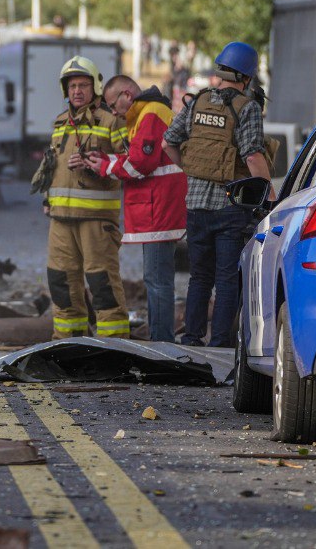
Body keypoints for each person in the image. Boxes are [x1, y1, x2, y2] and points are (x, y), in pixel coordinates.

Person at [162, 41, 274, 348]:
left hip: (196, 207)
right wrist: (269, 194)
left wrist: (192, 169)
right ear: (247, 77)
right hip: (230, 207)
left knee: (199, 277)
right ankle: (220, 344)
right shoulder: (247, 107)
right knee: (226, 279)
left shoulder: (197, 103)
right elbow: (253, 156)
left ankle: (192, 338)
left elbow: (168, 142)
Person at [85, 75, 186, 343]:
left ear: (127, 95)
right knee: (157, 280)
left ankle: (162, 344)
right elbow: (138, 157)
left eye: (113, 105)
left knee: (157, 282)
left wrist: (106, 166)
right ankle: (161, 340)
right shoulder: (148, 113)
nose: (113, 112)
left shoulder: (150, 114)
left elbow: (141, 163)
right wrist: (106, 159)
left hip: (157, 210)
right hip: (158, 208)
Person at [38, 56, 130, 340]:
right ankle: (67, 343)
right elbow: (52, 165)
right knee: (61, 282)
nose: (77, 91)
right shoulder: (60, 123)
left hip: (96, 220)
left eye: (83, 85)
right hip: (60, 219)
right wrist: (47, 199)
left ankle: (114, 346)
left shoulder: (111, 121)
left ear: (95, 88)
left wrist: (96, 163)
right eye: (72, 86)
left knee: (102, 284)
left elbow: (129, 164)